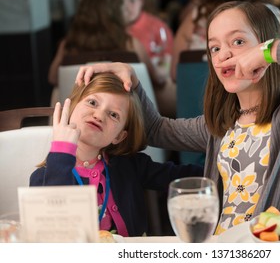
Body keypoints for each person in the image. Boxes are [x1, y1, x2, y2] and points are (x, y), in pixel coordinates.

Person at [76, 1, 280, 235]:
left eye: (238, 42)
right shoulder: (221, 124)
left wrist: (273, 51)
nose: (223, 55)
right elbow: (156, 130)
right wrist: (133, 81)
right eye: (215, 47)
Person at [30, 72, 203, 237]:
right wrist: (61, 152)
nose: (98, 115)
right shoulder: (44, 178)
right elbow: (50, 230)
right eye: (92, 102)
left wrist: (224, 169)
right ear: (72, 108)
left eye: (113, 115)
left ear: (119, 136)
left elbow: (185, 177)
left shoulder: (129, 165)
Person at [171, 0, 280, 87]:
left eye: (238, 41)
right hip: (269, 116)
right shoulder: (276, 19)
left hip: (196, 110)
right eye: (215, 48)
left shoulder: (193, 20)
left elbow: (175, 74)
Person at [48, 0, 166, 106]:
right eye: (122, 7)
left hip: (76, 112)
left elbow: (53, 78)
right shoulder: (131, 44)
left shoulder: (67, 45)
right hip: (124, 113)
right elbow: (158, 80)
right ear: (116, 14)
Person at [115, 0, 177, 118]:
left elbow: (166, 63)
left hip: (150, 86)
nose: (126, 7)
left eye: (132, 0)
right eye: (121, 2)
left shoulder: (157, 26)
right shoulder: (113, 30)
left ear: (141, 1)